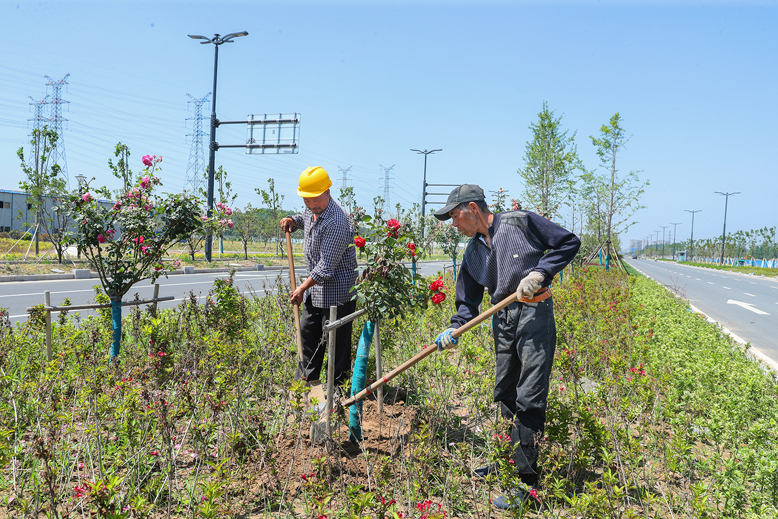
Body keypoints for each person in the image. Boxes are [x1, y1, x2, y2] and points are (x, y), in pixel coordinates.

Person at [432, 184, 580, 509]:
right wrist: (455, 327)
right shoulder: (472, 253)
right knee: (505, 392)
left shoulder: (519, 222)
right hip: (502, 318)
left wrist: (541, 272)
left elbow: (568, 242)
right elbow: (467, 302)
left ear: (472, 208)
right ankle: (505, 460)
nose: (453, 225)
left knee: (529, 395)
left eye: (455, 216)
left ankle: (527, 488)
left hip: (534, 310)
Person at [280, 166, 358, 388]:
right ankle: (307, 384)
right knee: (308, 334)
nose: (312, 205)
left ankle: (337, 390)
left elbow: (326, 267)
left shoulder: (337, 221)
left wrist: (301, 288)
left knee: (335, 343)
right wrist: (291, 220)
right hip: (315, 290)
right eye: (307, 201)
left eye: (316, 200)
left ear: (328, 192)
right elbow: (304, 218)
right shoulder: (312, 209)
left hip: (338, 293)